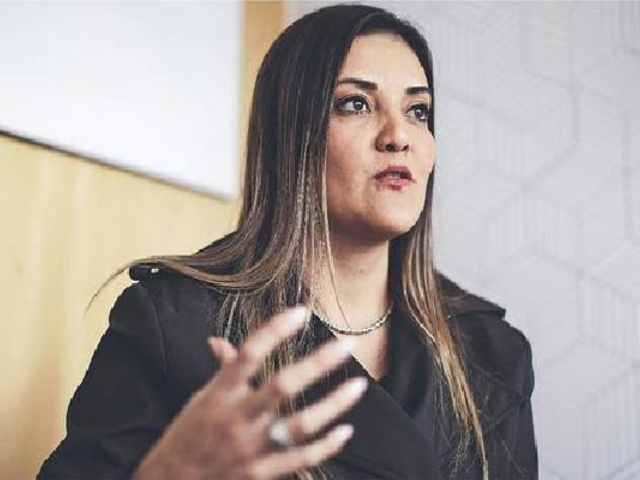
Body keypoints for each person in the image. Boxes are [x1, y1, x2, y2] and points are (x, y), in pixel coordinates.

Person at [38, 4, 537, 480]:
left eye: (418, 111)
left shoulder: (492, 353)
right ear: (292, 134)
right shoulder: (176, 325)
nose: (398, 135)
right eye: (356, 104)